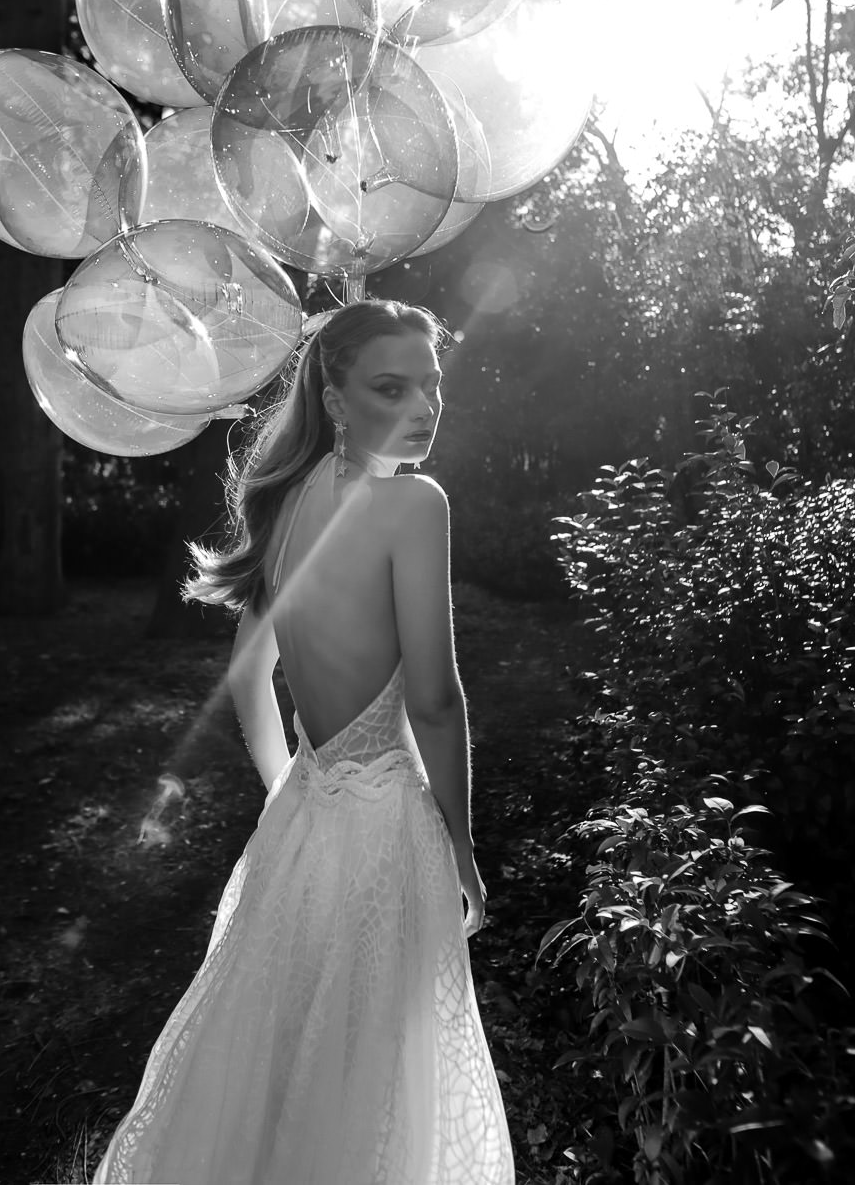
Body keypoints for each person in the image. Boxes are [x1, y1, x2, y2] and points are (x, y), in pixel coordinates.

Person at [92, 297, 515, 1185]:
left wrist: (291, 788)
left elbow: (248, 679)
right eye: (392, 386)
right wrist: (464, 848)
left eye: (433, 385)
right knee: (373, 1075)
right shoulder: (413, 507)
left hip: (307, 820)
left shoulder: (286, 502)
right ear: (336, 391)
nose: (423, 407)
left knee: (280, 1058)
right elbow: (434, 701)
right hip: (386, 834)